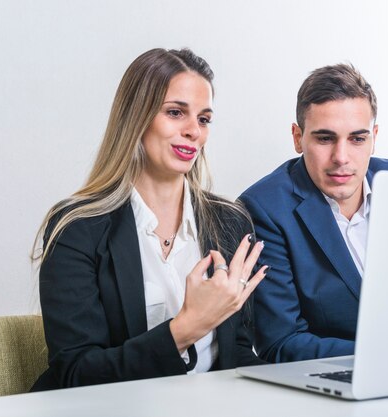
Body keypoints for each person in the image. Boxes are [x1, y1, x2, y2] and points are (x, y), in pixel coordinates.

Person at [31, 48, 268, 390]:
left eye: (204, 119)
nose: (194, 132)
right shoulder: (77, 227)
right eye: (175, 113)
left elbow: (236, 353)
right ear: (136, 118)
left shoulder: (230, 221)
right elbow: (77, 372)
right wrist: (185, 329)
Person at [239, 63, 388, 363]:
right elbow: (280, 343)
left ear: (374, 137)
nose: (341, 158)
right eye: (325, 138)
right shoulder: (265, 208)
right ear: (298, 137)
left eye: (357, 139)